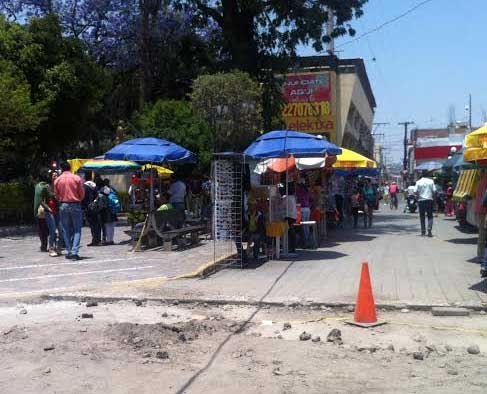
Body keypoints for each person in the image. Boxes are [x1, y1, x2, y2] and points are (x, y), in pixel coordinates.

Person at [54, 161, 85, 260]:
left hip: (63, 205)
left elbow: (56, 195)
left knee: (65, 229)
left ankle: (69, 251)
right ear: (70, 168)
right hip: (75, 204)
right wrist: (78, 200)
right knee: (77, 230)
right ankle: (74, 251)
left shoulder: (57, 180)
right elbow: (82, 193)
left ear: (62, 169)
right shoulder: (76, 178)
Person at [33, 169, 51, 253]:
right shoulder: (46, 186)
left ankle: (43, 245)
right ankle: (45, 244)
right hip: (45, 210)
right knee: (46, 229)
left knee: (40, 229)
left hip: (38, 211)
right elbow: (49, 197)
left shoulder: (37, 186)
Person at [415, 172, 437, 237]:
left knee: (422, 216)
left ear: (421, 175)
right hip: (429, 200)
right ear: (427, 175)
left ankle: (423, 232)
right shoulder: (431, 181)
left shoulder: (418, 182)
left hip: (421, 201)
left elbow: (415, 191)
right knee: (430, 216)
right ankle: (429, 229)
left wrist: (418, 196)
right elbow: (434, 191)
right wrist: (435, 201)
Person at [296, 182, 311, 246]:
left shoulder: (299, 192)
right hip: (308, 209)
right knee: (306, 226)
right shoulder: (307, 192)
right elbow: (311, 200)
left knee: (303, 226)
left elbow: (297, 201)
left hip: (302, 209)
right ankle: (307, 239)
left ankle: (305, 241)